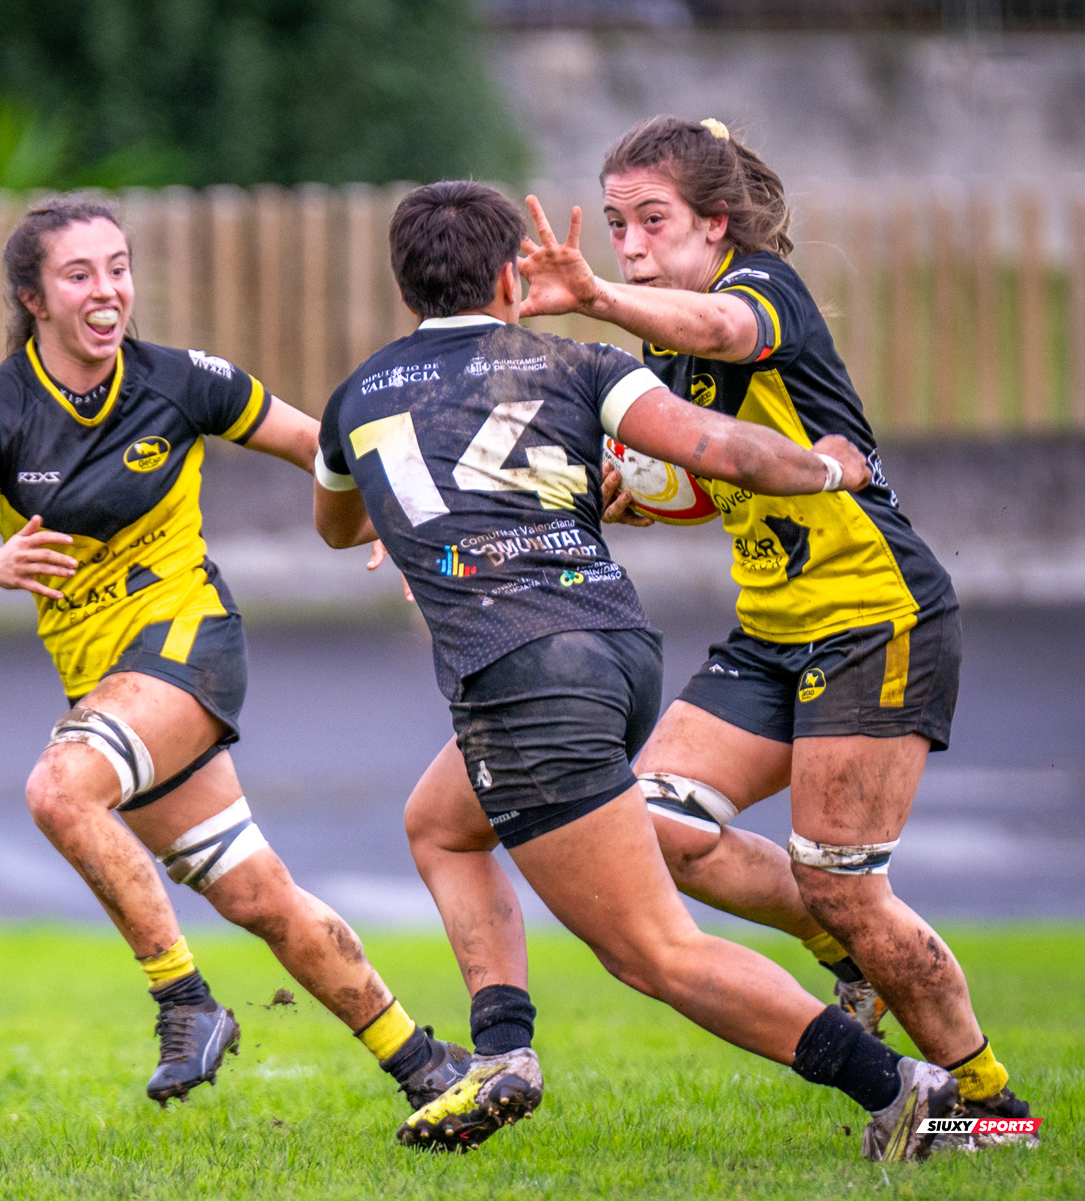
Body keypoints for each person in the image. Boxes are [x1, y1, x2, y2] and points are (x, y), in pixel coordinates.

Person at [314, 179, 960, 1161]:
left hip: (519, 676)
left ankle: (903, 1090)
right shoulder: (581, 361)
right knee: (442, 825)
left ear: (405, 286)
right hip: (617, 652)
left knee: (654, 952)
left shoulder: (355, 397)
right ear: (508, 276)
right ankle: (504, 1052)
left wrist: (419, 527)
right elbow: (717, 449)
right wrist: (828, 466)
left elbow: (339, 522)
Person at [512, 115, 1034, 1145]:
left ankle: (991, 1107)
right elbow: (703, 481)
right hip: (772, 632)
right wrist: (607, 493)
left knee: (846, 883)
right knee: (647, 824)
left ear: (717, 225)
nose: (631, 244)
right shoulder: (667, 335)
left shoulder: (759, 292)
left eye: (651, 221)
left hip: (874, 616)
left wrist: (600, 301)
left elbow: (725, 337)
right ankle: (843, 956)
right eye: (617, 225)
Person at [0, 196, 486, 1110]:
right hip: (109, 683)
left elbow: (321, 444)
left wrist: (397, 523)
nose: (108, 290)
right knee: (260, 897)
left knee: (60, 788)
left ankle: (186, 1002)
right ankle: (425, 1064)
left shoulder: (180, 378)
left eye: (120, 267)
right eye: (80, 273)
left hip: (185, 639)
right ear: (34, 297)